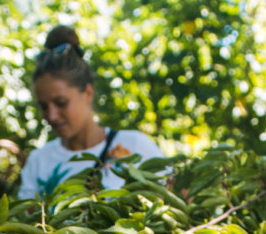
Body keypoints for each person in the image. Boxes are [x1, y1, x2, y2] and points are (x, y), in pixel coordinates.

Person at [17, 25, 164, 200]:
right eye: (44, 106)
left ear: (87, 93)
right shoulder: (39, 162)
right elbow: (25, 221)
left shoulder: (135, 146)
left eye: (61, 103)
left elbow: (171, 197)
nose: (51, 115)